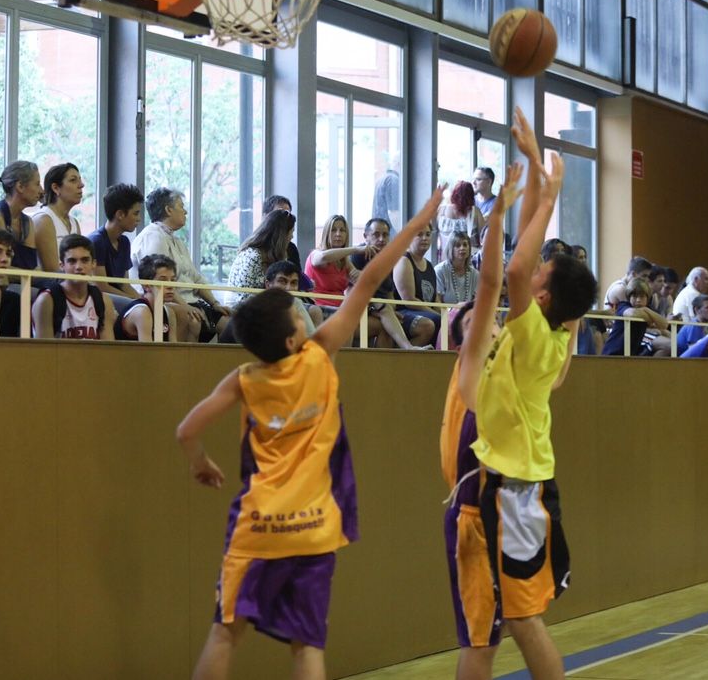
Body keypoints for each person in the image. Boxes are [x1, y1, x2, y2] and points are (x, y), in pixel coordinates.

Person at [174, 183, 446, 680]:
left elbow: (186, 430)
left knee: (225, 632)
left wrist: (200, 463)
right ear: (293, 333)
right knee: (306, 648)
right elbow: (368, 284)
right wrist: (417, 222)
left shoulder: (245, 378)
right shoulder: (319, 356)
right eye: (293, 310)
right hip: (314, 529)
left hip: (258, 527)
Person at [466, 107, 597, 680]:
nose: (535, 267)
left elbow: (514, 272)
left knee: (520, 622)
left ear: (542, 299)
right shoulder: (550, 338)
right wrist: (538, 174)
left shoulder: (533, 333)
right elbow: (527, 270)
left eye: (544, 273)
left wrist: (547, 193)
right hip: (514, 484)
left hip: (514, 491)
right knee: (492, 625)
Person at [440, 161, 523, 679]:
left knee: (510, 624)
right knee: (481, 638)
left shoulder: (506, 367)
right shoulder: (469, 368)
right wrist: (500, 216)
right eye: (474, 320)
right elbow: (493, 281)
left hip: (508, 505)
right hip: (474, 513)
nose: (487, 323)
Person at [130, 186, 231, 341]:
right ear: (168, 210)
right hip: (168, 302)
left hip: (193, 301)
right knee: (191, 320)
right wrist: (185, 306)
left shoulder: (177, 241)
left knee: (232, 325)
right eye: (182, 207)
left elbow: (196, 278)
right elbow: (159, 281)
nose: (185, 212)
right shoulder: (153, 237)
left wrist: (215, 303)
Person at [350, 217, 434, 349]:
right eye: (376, 235)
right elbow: (350, 290)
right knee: (386, 323)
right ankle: (400, 355)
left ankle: (399, 364)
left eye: (385, 235)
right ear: (366, 236)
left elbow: (390, 293)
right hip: (367, 309)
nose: (381, 239)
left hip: (386, 311)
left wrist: (392, 310)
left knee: (426, 326)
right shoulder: (358, 255)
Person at [31, 234, 116, 341]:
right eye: (72, 261)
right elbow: (44, 352)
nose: (79, 267)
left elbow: (108, 351)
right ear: (62, 265)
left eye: (85, 260)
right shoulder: (46, 301)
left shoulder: (104, 301)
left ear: (93, 264)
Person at [0, 160, 43, 273]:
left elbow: (30, 265)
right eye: (37, 184)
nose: (41, 191)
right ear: (20, 186)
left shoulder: (27, 222)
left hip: (23, 283)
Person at [116, 254, 196, 342]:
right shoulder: (142, 312)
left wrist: (193, 333)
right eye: (162, 280)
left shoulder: (169, 313)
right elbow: (150, 353)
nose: (170, 286)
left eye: (173, 280)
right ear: (146, 285)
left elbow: (173, 351)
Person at [226, 208, 297, 306]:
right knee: (296, 305)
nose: (292, 237)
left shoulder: (279, 255)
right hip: (244, 309)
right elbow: (243, 297)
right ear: (282, 235)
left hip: (268, 305)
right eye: (291, 232)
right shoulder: (252, 256)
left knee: (312, 310)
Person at [88, 183, 143, 299]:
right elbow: (101, 286)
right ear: (120, 215)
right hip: (102, 299)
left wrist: (142, 300)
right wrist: (133, 302)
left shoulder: (124, 242)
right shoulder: (96, 241)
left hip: (118, 298)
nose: (139, 219)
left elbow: (124, 284)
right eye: (136, 213)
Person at [31, 162, 85, 271]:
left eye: (80, 179)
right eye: (73, 180)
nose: (81, 185)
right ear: (56, 188)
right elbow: (52, 271)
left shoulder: (74, 222)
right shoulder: (43, 219)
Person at [394, 221, 443, 340]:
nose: (424, 238)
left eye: (427, 234)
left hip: (425, 312)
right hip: (404, 312)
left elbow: (434, 299)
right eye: (419, 234)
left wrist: (446, 315)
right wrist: (436, 315)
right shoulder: (404, 261)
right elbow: (409, 300)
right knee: (434, 322)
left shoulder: (430, 265)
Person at [601, 277, 671, 357]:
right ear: (629, 297)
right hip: (612, 354)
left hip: (631, 354)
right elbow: (632, 313)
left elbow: (664, 324)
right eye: (634, 296)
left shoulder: (647, 311)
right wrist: (647, 312)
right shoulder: (623, 305)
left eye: (642, 297)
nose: (638, 300)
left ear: (647, 298)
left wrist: (646, 310)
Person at [437, 181, 485, 261]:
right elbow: (484, 236)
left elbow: (434, 233)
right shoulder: (474, 212)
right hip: (467, 260)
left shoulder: (441, 210)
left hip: (445, 259)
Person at [435, 230, 478, 304]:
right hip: (444, 314)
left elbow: (477, 302)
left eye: (465, 245)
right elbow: (437, 302)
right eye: (458, 245)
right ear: (450, 249)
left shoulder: (475, 274)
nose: (462, 248)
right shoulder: (440, 270)